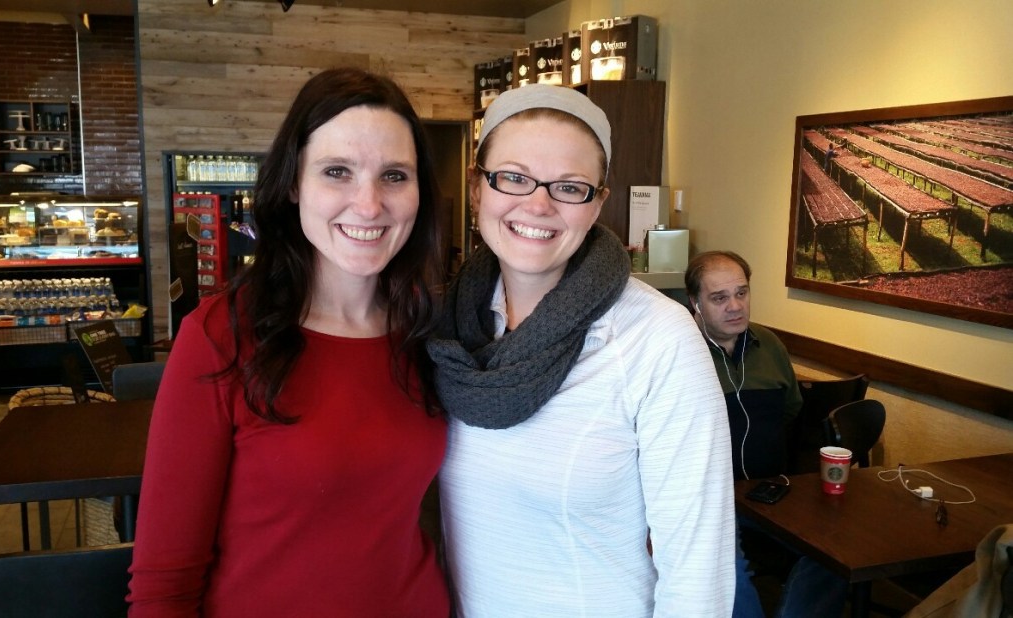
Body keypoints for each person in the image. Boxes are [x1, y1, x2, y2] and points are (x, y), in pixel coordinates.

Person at [127, 68, 449, 617]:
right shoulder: (221, 335)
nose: (369, 204)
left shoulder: (428, 329)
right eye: (337, 171)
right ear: (294, 183)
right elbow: (164, 584)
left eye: (394, 176)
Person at [427, 85, 735, 617]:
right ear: (477, 189)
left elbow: (698, 571)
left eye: (570, 187)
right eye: (514, 177)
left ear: (597, 205)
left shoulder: (657, 337)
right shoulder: (447, 328)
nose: (538, 205)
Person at [685, 250, 847, 618]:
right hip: (706, 499)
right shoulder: (677, 352)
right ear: (695, 303)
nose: (735, 306)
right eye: (719, 298)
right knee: (728, 572)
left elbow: (790, 410)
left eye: (741, 293)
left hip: (769, 491)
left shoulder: (770, 346)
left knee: (836, 551)